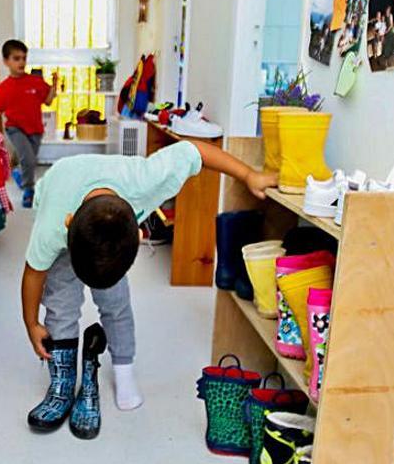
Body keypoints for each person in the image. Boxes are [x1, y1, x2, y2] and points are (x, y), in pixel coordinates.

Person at [21, 139, 277, 437]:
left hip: (102, 220)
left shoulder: (147, 179)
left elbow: (194, 150)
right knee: (60, 301)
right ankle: (63, 381)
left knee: (116, 303)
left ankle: (123, 368)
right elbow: (34, 272)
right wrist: (31, 323)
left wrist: (248, 175)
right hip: (61, 191)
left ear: (140, 235)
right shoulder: (53, 223)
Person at [0, 40, 58, 208]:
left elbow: (48, 101)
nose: (21, 62)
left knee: (30, 160)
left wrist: (54, 86)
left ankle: (19, 174)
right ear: (6, 61)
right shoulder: (3, 88)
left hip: (35, 129)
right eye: (16, 58)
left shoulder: (35, 82)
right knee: (27, 159)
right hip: (15, 129)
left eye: (23, 58)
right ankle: (29, 190)